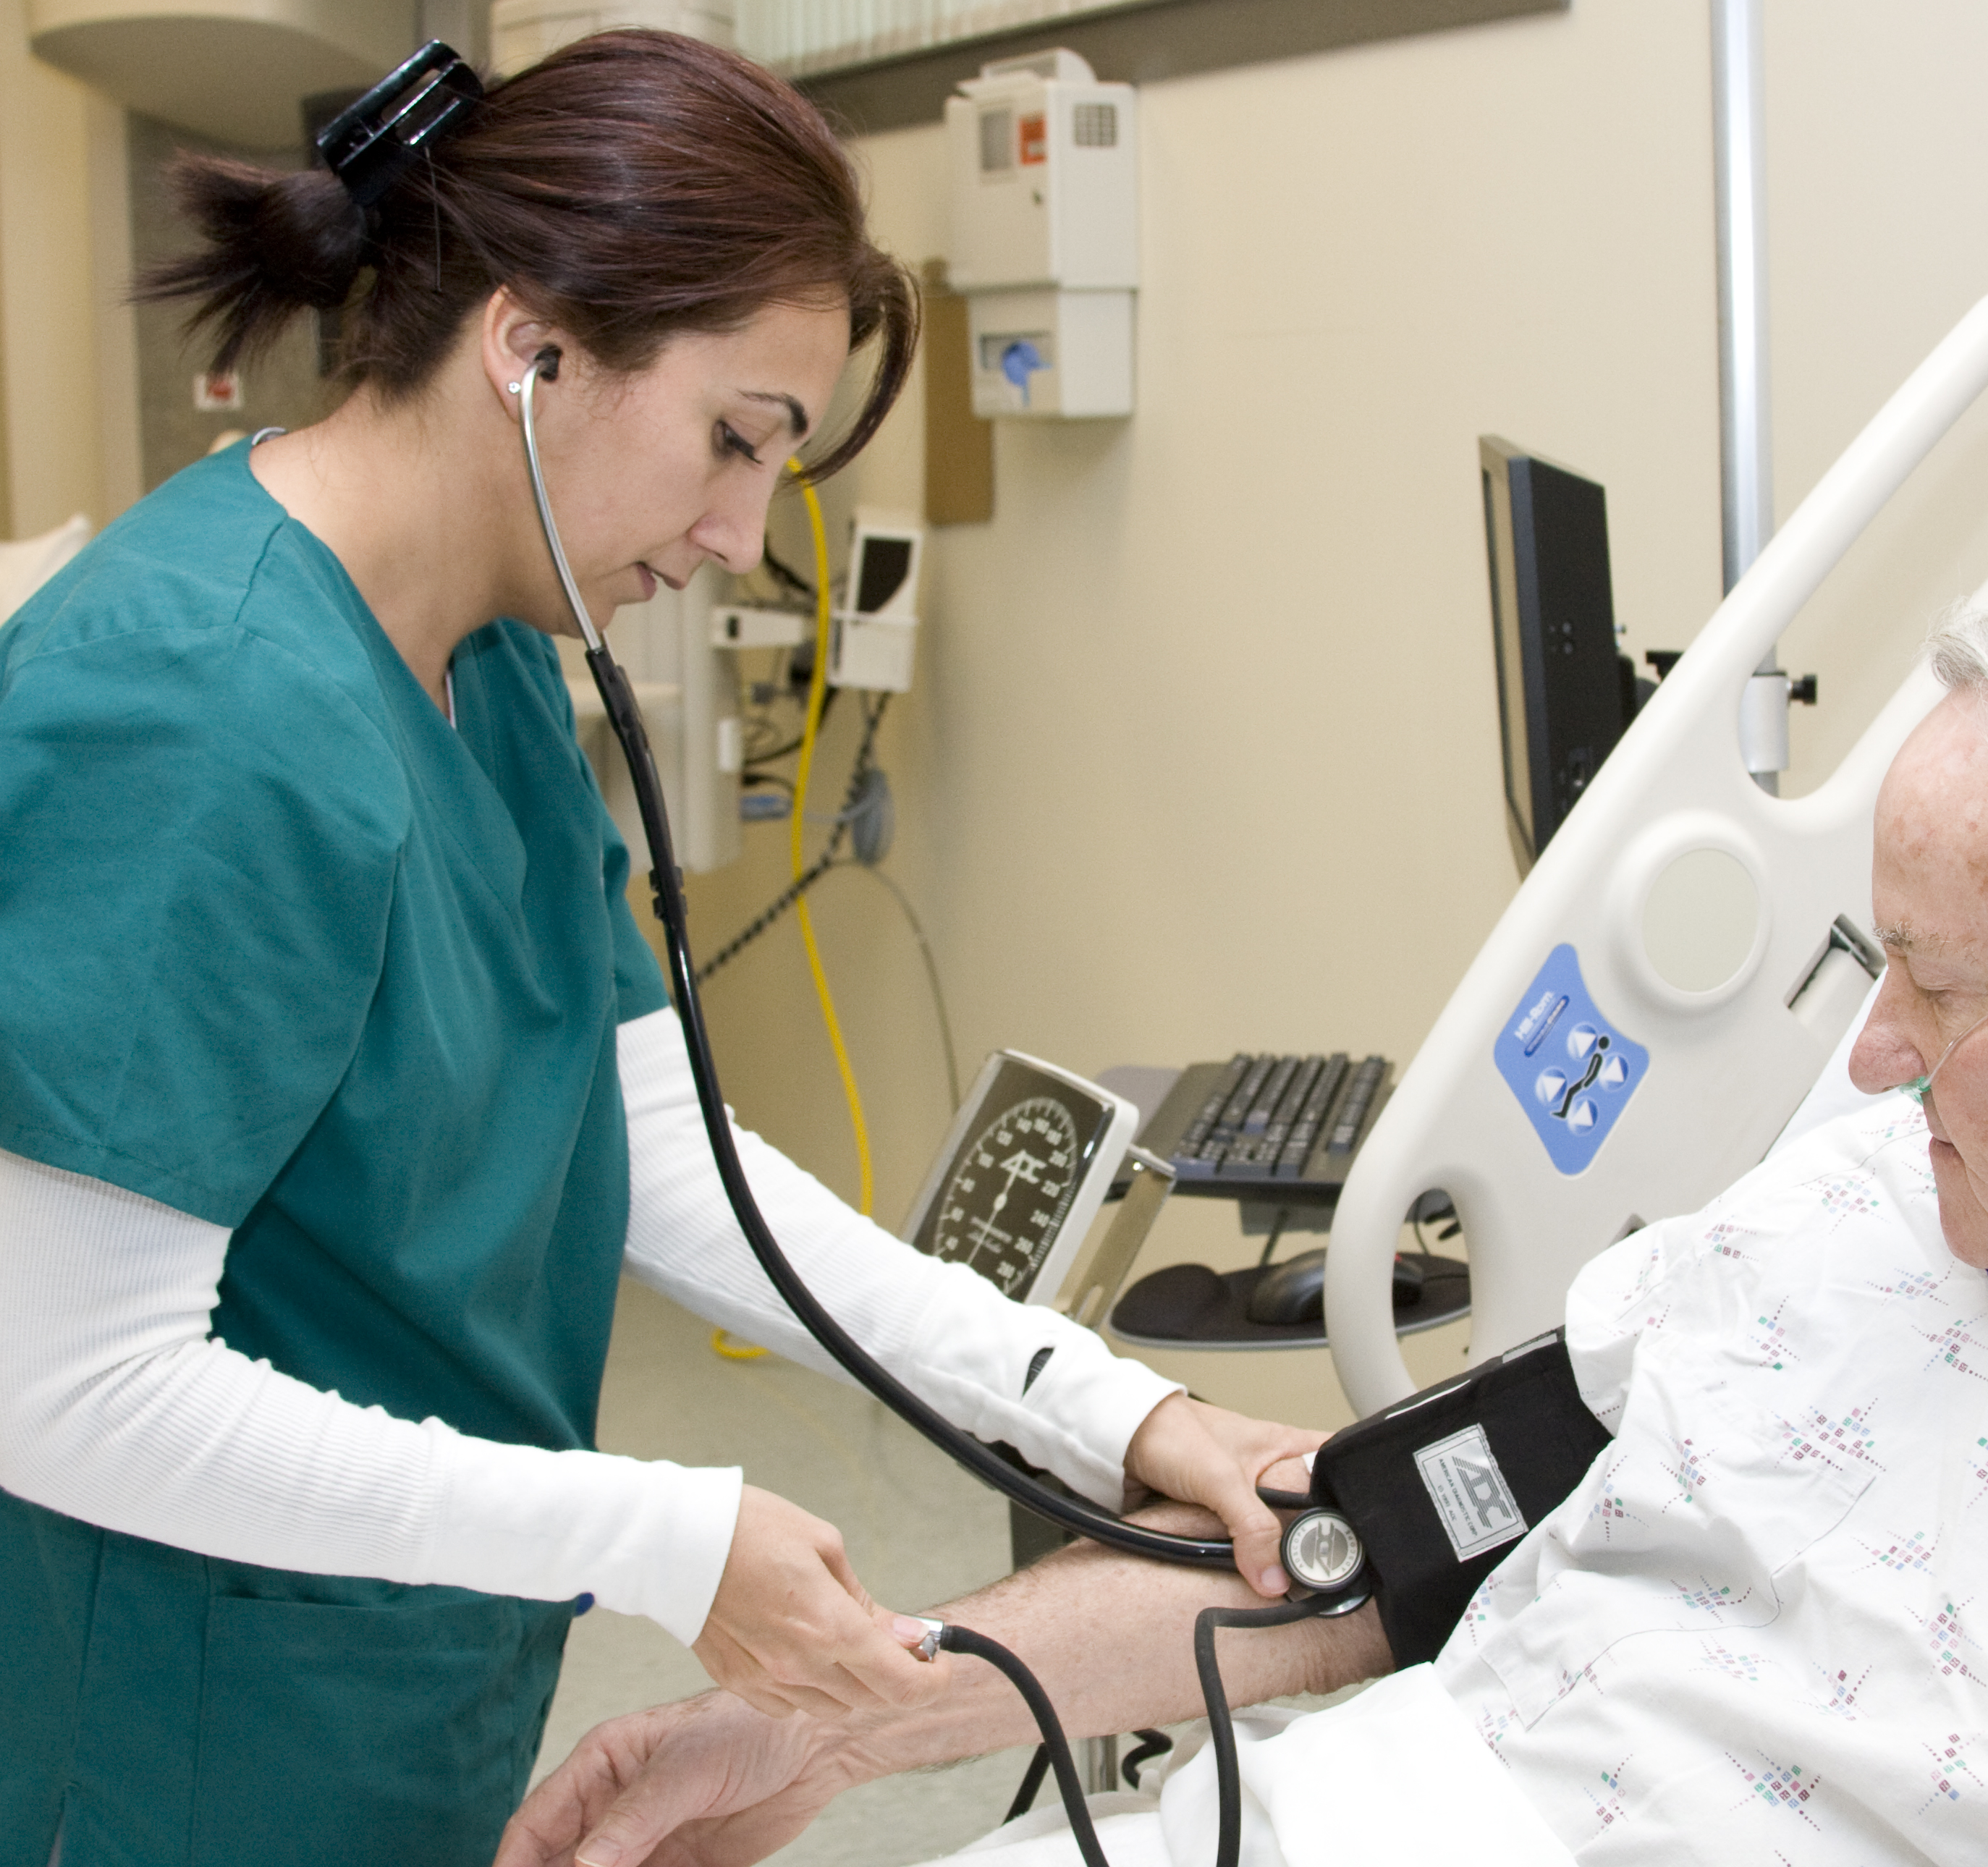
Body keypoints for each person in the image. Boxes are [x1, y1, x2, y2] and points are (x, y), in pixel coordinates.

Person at [501, 581, 1988, 1866]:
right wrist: (849, 1707)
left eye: (1945, 990)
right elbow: (1365, 1544)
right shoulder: (1878, 1198)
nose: (1869, 1057)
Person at [0, 32, 1316, 1867]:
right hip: (165, 1745)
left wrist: (1112, 1410)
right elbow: (61, 1387)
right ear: (531, 349)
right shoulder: (196, 703)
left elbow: (660, 1154)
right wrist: (657, 1537)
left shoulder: (483, 652)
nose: (734, 535)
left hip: (387, 1672)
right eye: (732, 440)